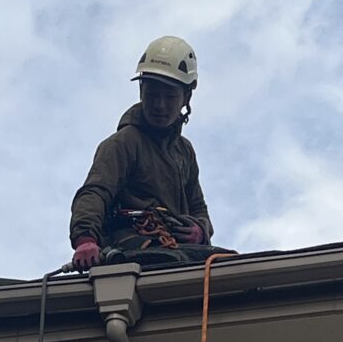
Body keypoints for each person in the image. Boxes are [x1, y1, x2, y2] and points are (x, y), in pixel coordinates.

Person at [70, 35, 228, 270]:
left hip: (174, 248)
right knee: (168, 261)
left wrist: (200, 230)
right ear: (141, 90)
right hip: (131, 246)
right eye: (152, 94)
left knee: (228, 263)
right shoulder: (124, 143)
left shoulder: (184, 152)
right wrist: (86, 240)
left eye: (169, 96)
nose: (160, 105)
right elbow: (95, 192)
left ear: (186, 97)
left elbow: (198, 208)